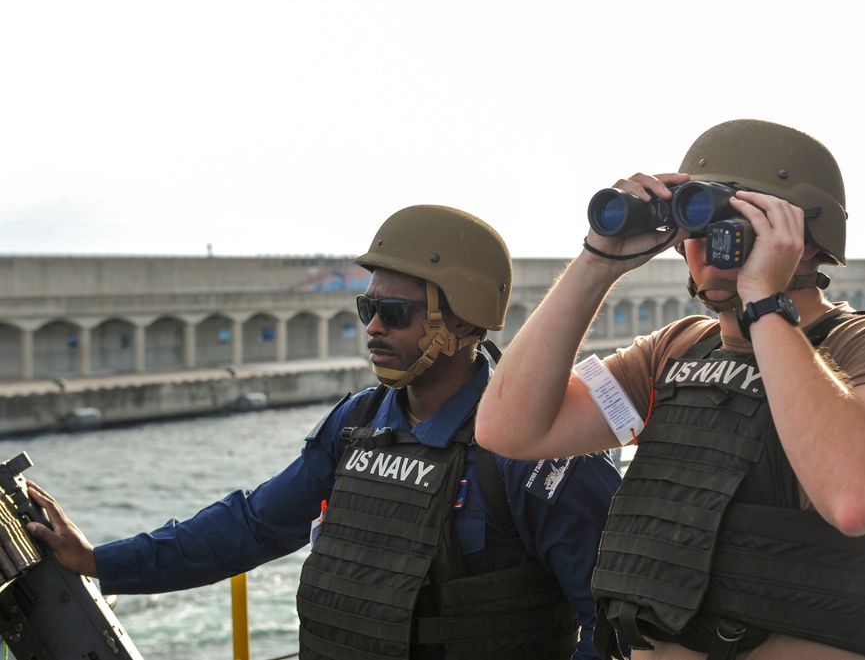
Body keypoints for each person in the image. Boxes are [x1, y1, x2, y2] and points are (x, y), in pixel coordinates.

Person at [27, 205, 623, 660]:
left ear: (464, 320)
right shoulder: (360, 423)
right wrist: (100, 561)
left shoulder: (534, 451)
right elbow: (252, 526)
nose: (373, 329)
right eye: (368, 310)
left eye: (395, 313)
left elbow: (615, 620)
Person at [476, 120, 865, 660]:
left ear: (806, 240)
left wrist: (763, 300)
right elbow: (507, 429)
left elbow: (857, 499)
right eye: (694, 222)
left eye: (738, 220)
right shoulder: (674, 353)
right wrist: (598, 264)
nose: (708, 246)